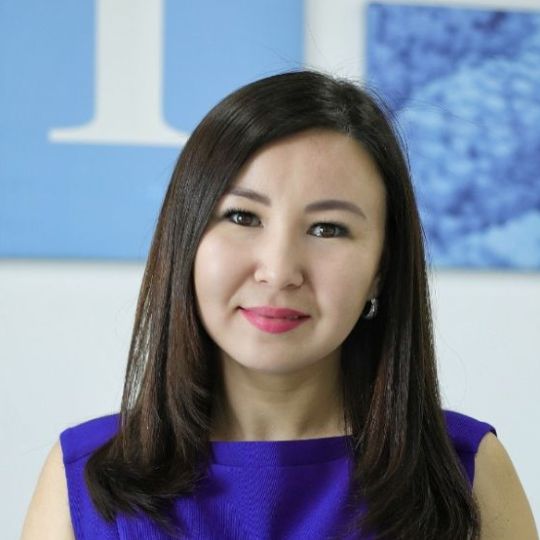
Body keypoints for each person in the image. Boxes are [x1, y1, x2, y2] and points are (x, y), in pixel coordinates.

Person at [22, 70, 538, 540]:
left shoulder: (465, 473)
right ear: (187, 241)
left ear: (381, 269)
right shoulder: (85, 479)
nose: (279, 270)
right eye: (243, 217)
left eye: (328, 229)